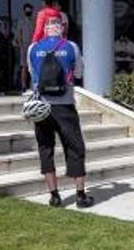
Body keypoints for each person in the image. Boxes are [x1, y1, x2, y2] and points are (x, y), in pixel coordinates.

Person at [28, 17, 94, 208]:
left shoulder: (33, 48)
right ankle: (81, 196)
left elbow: (33, 76)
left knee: (46, 148)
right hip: (64, 105)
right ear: (61, 29)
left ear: (45, 29)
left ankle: (54, 196)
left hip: (41, 107)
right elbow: (80, 73)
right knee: (75, 147)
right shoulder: (71, 47)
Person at [15, 3, 36, 91]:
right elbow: (19, 34)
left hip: (33, 45)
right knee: (24, 66)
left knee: (34, 66)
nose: (28, 11)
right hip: (24, 46)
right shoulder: (21, 21)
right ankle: (24, 85)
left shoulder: (34, 21)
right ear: (24, 11)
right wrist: (21, 46)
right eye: (27, 10)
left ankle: (33, 84)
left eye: (30, 9)